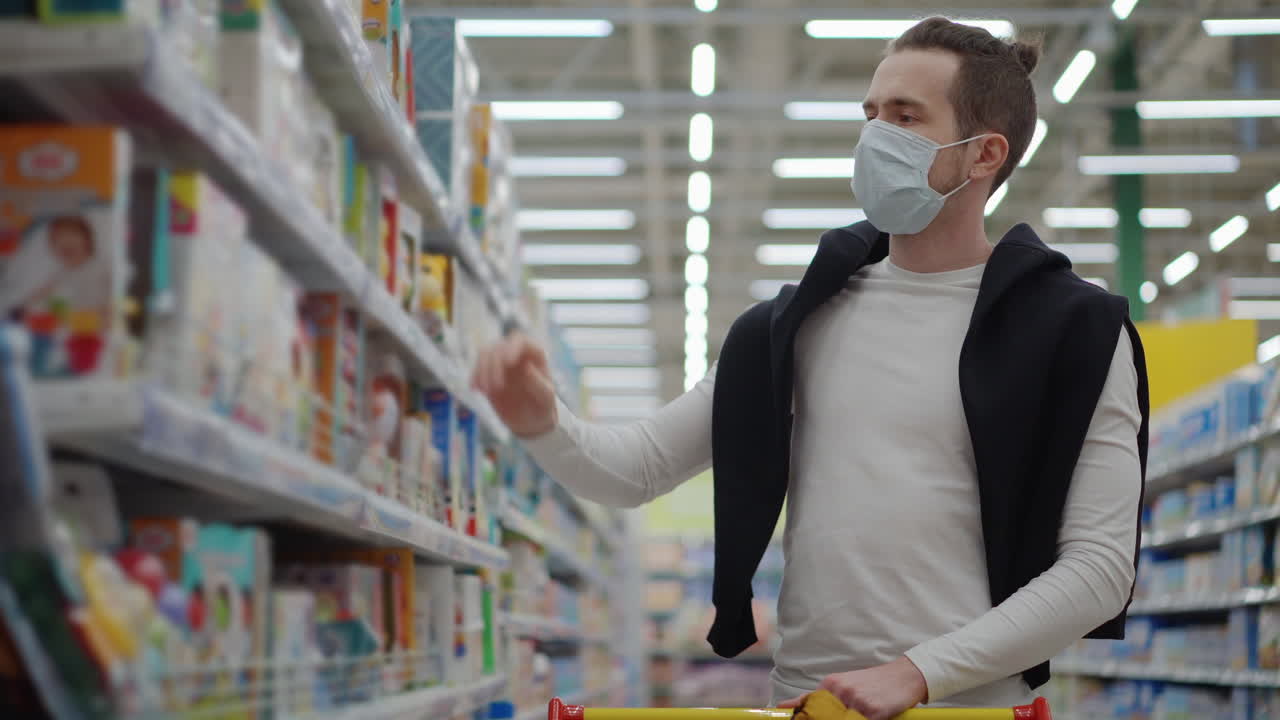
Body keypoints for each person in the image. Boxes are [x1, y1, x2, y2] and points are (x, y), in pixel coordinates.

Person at [472, 17, 1147, 720]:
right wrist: (541, 420)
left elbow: (1100, 569)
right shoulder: (794, 327)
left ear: (984, 154)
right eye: (870, 114)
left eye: (905, 117)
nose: (875, 137)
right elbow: (633, 470)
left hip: (971, 711)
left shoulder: (1074, 335)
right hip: (804, 704)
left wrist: (918, 674)